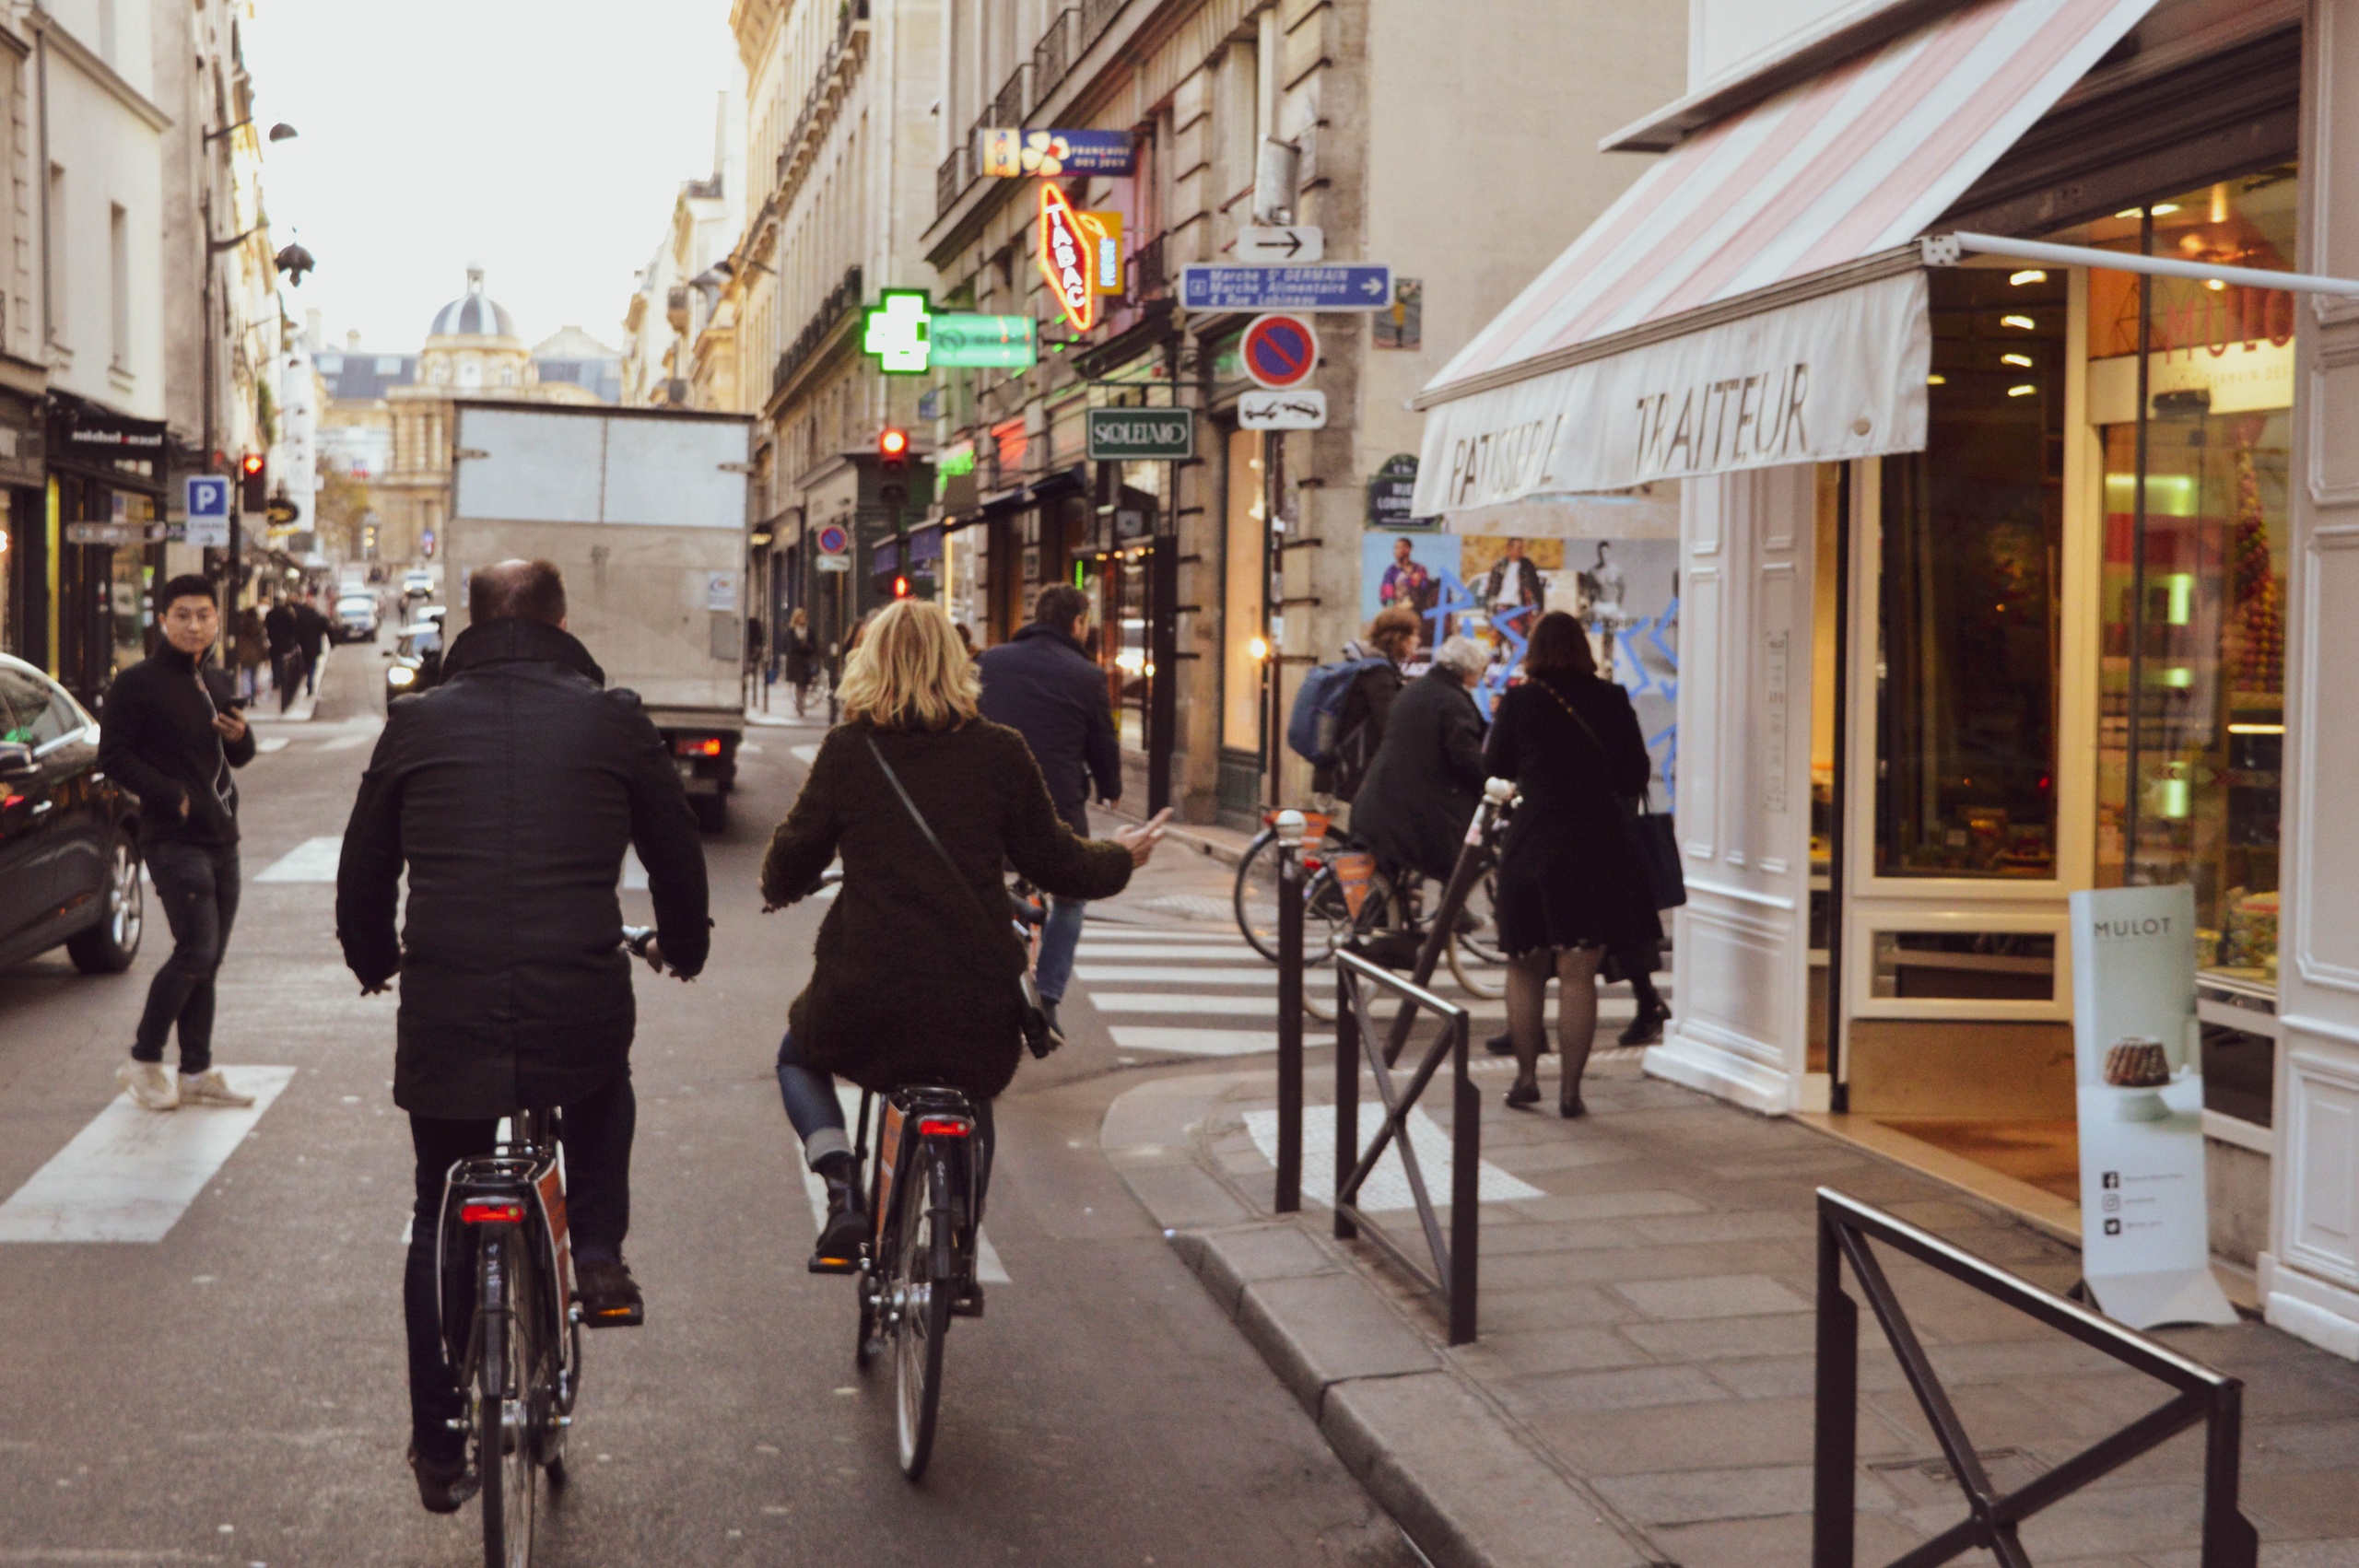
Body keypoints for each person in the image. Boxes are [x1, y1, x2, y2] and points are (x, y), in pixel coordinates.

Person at [334, 558, 710, 1514]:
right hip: (576, 993)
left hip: (447, 1001)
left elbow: (365, 868)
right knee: (597, 1090)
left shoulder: (416, 722)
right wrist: (686, 945)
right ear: (561, 619)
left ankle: (434, 1444)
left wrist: (373, 958)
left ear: (470, 622)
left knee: (438, 1208)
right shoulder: (615, 717)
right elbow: (675, 852)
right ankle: (596, 1250)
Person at [758, 599, 1159, 1273]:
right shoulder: (1000, 752)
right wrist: (1122, 854)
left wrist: (785, 886)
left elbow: (789, 862)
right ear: (958, 665)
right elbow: (1058, 863)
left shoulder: (849, 751)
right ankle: (961, 1240)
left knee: (798, 1058)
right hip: (974, 991)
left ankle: (839, 1185)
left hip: (866, 990)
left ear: (868, 664)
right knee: (973, 1090)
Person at [1483, 612, 1661, 1117]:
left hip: (1534, 840)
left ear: (1534, 649)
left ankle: (1523, 1079)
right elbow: (1635, 774)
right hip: (1596, 845)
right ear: (1583, 649)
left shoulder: (1521, 700)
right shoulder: (1612, 698)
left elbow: (1494, 766)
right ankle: (1570, 1092)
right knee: (1578, 972)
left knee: (1525, 967)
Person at [97, 575, 258, 1113]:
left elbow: (236, 757)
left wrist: (242, 738)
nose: (194, 625)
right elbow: (114, 756)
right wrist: (171, 796)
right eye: (183, 615)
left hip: (221, 837)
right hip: (172, 839)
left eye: (204, 615)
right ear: (163, 620)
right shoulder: (137, 683)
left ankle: (195, 1070)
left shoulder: (213, 678)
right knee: (195, 951)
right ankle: (142, 1062)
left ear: (217, 620)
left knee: (208, 960)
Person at [973, 583, 1122, 1036]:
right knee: (1071, 900)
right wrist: (1110, 789)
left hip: (988, 812)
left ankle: (981, 981)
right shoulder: (1087, 676)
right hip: (1055, 816)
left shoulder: (988, 662)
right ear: (1077, 624)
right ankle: (1050, 998)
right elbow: (1103, 746)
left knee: (976, 885)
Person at [1346, 635, 1489, 889]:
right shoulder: (1452, 701)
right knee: (1454, 858)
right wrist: (1489, 781)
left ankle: (1394, 920)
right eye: (1481, 669)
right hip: (1410, 810)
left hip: (1384, 800)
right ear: (1467, 669)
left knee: (1387, 888)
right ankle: (1453, 915)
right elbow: (1465, 758)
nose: (1482, 676)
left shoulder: (1416, 689)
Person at [1315, 607, 1421, 804]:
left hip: (1354, 769)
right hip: (1363, 773)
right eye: (1414, 634)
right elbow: (1391, 727)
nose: (1418, 640)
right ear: (1399, 637)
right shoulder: (1378, 674)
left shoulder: (1371, 667)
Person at [1484, 537, 1546, 645]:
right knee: (1496, 640)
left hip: (1518, 608)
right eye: (1518, 548)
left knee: (1517, 639)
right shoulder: (1499, 565)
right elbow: (1491, 590)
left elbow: (1535, 588)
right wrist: (1488, 611)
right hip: (1500, 608)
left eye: (1522, 548)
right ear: (1509, 548)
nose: (1521, 551)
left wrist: (1539, 608)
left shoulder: (1527, 566)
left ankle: (1515, 660)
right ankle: (1497, 660)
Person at [263, 593, 301, 713]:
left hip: (274, 642)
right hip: (285, 642)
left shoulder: (270, 614)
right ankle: (283, 680)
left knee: (275, 662)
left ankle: (276, 681)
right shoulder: (287, 614)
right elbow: (293, 627)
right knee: (285, 661)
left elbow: (267, 627)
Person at [292, 591, 331, 697]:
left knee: (307, 663)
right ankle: (310, 683)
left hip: (303, 645)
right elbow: (326, 627)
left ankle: (308, 681)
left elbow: (296, 631)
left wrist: (297, 641)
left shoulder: (301, 617)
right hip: (314, 645)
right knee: (312, 665)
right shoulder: (317, 616)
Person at [233, 600, 270, 704]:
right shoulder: (259, 626)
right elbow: (263, 642)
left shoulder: (241, 624)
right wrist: (266, 656)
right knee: (254, 676)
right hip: (256, 654)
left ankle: (246, 695)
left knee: (245, 675)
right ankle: (253, 697)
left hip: (244, 652)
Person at [782, 607, 816, 717]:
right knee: (799, 683)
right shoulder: (792, 630)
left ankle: (800, 704)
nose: (803, 619)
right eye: (801, 617)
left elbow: (814, 643)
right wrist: (804, 646)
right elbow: (792, 645)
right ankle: (800, 706)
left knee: (804, 684)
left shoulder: (809, 629)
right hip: (796, 661)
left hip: (806, 661)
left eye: (804, 617)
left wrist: (807, 647)